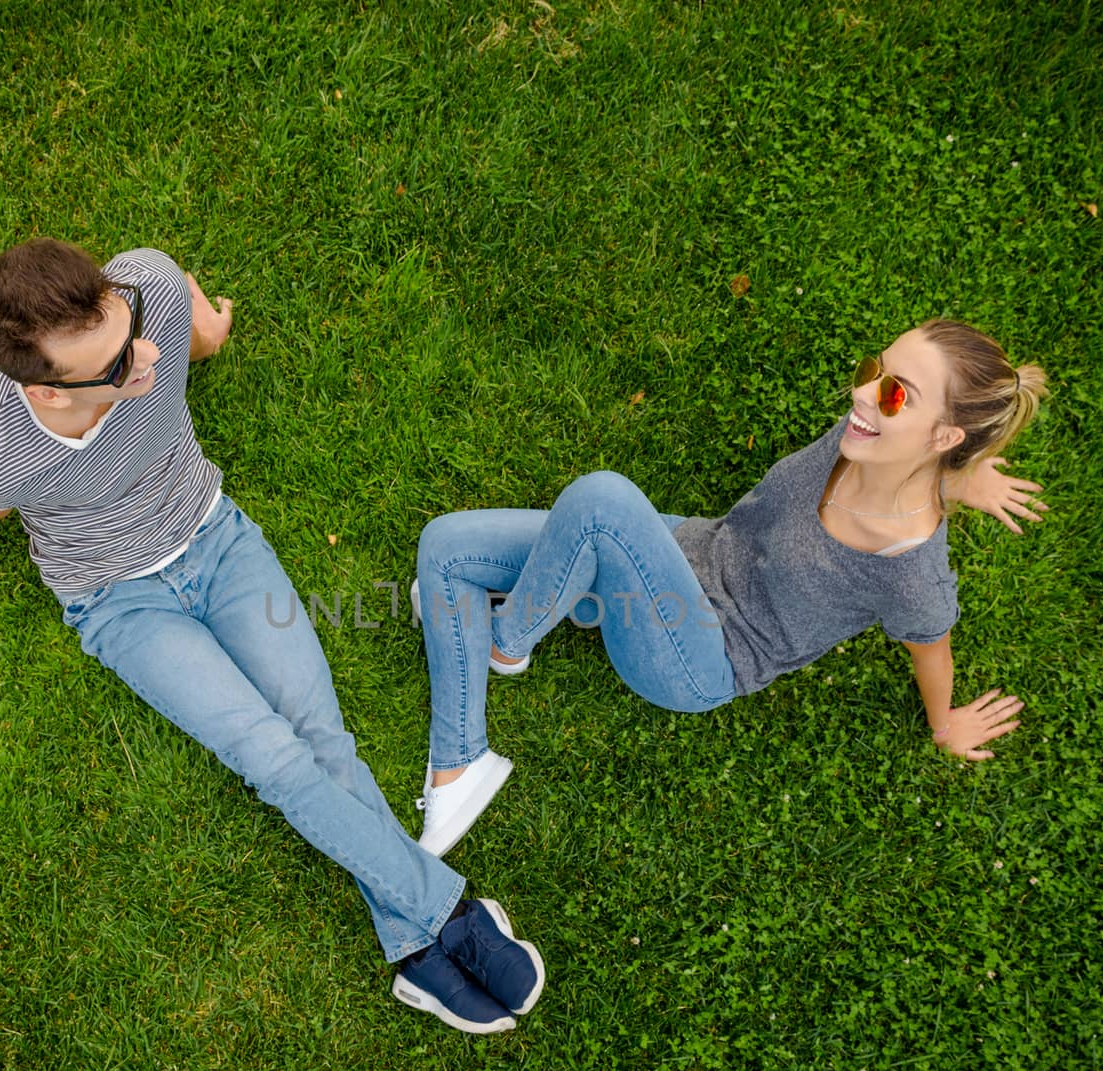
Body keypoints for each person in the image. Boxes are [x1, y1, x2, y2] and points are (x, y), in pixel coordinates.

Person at [0, 239, 543, 1034]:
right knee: (272, 757)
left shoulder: (151, 292)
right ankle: (448, 915)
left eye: (129, 326)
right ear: (48, 393)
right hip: (118, 600)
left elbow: (182, 321)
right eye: (114, 365)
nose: (146, 356)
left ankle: (415, 950)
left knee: (325, 741)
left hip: (220, 541)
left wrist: (208, 333)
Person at [411, 319, 1047, 851]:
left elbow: (931, 644)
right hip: (686, 549)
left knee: (601, 502)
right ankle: (504, 634)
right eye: (872, 370)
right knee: (443, 547)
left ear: (944, 436)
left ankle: (471, 730)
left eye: (895, 394)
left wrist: (944, 724)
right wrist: (962, 479)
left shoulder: (912, 574)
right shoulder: (863, 440)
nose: (863, 395)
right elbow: (910, 472)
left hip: (700, 657)